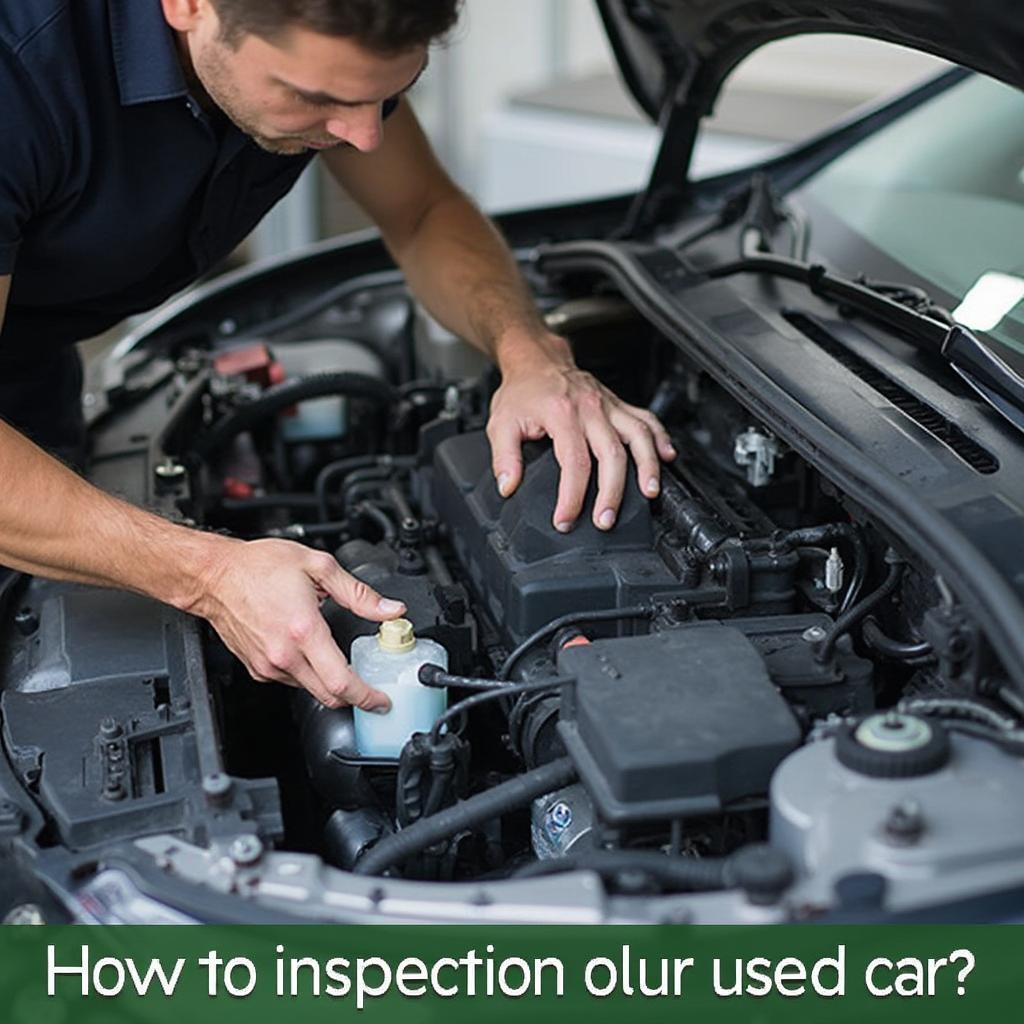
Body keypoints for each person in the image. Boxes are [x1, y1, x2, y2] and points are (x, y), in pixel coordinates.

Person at [0, 0, 674, 712]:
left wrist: (531, 352)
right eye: (315, 98)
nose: (361, 133)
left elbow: (421, 211)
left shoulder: (334, 76)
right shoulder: (19, 72)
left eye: (387, 96)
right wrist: (210, 573)